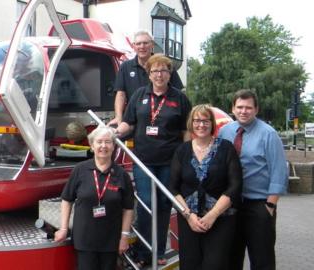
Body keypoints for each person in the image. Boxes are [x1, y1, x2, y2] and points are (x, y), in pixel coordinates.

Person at [115, 54, 191, 267]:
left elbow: (186, 130)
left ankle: (157, 250)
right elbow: (128, 123)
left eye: (164, 70)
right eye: (155, 71)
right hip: (144, 162)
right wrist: (115, 132)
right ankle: (143, 250)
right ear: (149, 74)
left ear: (169, 74)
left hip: (170, 161)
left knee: (164, 204)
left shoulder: (180, 98)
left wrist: (185, 156)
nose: (159, 75)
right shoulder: (139, 95)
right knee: (147, 203)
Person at [218, 89, 288, 270]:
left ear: (256, 109)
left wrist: (270, 206)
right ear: (232, 108)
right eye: (239, 107)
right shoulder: (224, 132)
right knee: (231, 256)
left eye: (248, 107)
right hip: (230, 205)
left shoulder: (268, 134)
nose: (243, 111)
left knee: (261, 258)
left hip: (258, 205)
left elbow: (279, 171)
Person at [170, 104, 242, 269]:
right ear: (191, 123)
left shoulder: (226, 148)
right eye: (197, 120)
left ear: (212, 123)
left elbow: (235, 185)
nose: (201, 125)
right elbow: (173, 188)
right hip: (190, 219)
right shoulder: (182, 151)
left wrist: (213, 215)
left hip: (221, 218)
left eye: (205, 120)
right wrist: (189, 216)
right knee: (190, 264)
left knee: (215, 264)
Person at [54, 126, 135, 270]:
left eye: (108, 142)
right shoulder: (80, 170)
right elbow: (67, 200)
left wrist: (124, 237)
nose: (103, 146)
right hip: (85, 239)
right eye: (99, 142)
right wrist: (63, 228)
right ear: (92, 146)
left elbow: (128, 209)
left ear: (113, 146)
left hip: (111, 240)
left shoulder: (121, 175)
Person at [108, 31, 184, 127]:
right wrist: (118, 117)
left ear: (152, 44)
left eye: (145, 43)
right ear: (133, 46)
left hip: (163, 121)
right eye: (138, 43)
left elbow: (178, 92)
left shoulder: (165, 65)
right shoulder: (125, 67)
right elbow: (120, 94)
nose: (142, 46)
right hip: (136, 121)